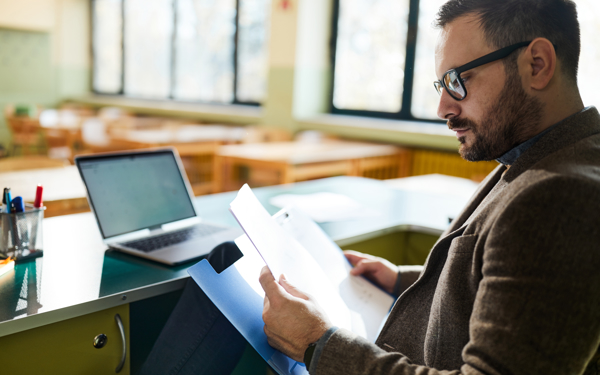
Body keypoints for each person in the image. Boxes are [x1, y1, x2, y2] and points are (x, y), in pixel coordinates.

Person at [143, 0, 600, 374]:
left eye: (458, 81)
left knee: (228, 277)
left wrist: (318, 344)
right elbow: (506, 285)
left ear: (537, 64)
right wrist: (406, 280)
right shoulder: (541, 156)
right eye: (442, 83)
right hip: (392, 339)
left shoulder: (559, 197)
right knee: (232, 260)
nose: (443, 106)